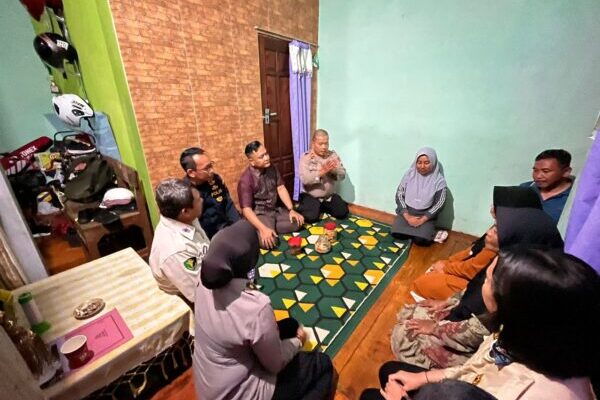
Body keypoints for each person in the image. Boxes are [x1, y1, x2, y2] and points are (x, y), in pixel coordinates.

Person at [363, 247, 599, 400]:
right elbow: (476, 368)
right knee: (390, 371)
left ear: (514, 305)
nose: (482, 286)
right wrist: (424, 378)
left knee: (371, 397)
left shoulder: (539, 393)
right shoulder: (519, 334)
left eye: (488, 281)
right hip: (464, 386)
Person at [391, 204, 564, 370]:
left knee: (405, 334)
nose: (490, 232)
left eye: (489, 281)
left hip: (475, 346)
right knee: (417, 311)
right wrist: (447, 302)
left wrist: (435, 328)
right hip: (465, 316)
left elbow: (475, 330)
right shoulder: (508, 263)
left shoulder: (517, 292)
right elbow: (472, 287)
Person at [193, 220, 334, 400]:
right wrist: (298, 341)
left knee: (289, 324)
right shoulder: (255, 306)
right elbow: (275, 365)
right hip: (243, 392)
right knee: (321, 364)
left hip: (213, 384)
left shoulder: (202, 280)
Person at [407, 186, 542, 303]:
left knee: (421, 284)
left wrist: (446, 268)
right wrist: (447, 263)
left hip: (480, 288)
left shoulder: (508, 235)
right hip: (471, 274)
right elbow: (472, 251)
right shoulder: (503, 226)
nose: (492, 207)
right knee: (434, 272)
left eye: (496, 205)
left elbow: (474, 269)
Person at [149, 178, 209, 304]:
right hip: (190, 297)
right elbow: (200, 295)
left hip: (206, 269)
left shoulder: (184, 218)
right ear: (185, 211)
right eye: (198, 200)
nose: (202, 200)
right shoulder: (176, 250)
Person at [238, 141, 304, 249]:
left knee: (298, 222)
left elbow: (281, 187)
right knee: (270, 242)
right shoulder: (245, 180)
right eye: (261, 157)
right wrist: (263, 228)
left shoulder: (271, 167)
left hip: (275, 210)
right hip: (260, 214)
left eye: (266, 154)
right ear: (252, 161)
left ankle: (270, 228)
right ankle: (260, 229)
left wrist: (291, 209)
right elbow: (246, 210)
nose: (267, 158)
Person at [392, 148, 447, 246]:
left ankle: (429, 232)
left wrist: (422, 220)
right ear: (415, 162)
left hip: (426, 216)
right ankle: (420, 231)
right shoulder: (409, 174)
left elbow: (439, 204)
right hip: (407, 212)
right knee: (397, 234)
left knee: (422, 241)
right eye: (419, 162)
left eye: (426, 163)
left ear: (433, 163)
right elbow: (399, 194)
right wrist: (408, 216)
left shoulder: (439, 181)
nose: (422, 166)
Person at [180, 147, 240, 238]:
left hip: (228, 228)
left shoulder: (215, 179)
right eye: (207, 168)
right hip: (209, 238)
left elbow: (228, 204)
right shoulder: (185, 193)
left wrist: (239, 226)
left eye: (211, 165)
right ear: (191, 173)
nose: (212, 170)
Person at [297, 129, 349, 222]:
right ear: (313, 143)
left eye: (326, 143)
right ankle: (313, 207)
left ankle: (321, 207)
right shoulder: (305, 158)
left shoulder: (332, 156)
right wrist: (321, 172)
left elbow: (342, 175)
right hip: (311, 196)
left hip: (328, 197)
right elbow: (305, 180)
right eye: (320, 144)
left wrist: (333, 171)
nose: (324, 147)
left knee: (342, 212)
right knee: (310, 217)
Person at [520, 149, 573, 224]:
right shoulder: (524, 189)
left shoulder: (575, 197)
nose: (538, 176)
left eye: (545, 171)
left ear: (566, 172)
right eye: (535, 170)